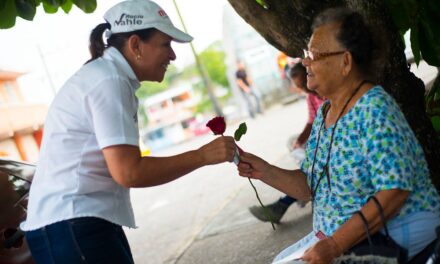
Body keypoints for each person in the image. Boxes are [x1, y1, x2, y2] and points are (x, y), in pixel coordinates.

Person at [21, 1, 236, 263]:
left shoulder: (109, 77)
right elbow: (129, 172)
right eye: (166, 44)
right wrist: (202, 156)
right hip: (72, 223)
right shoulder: (109, 80)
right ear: (135, 44)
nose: (173, 56)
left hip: (78, 223)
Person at [238, 7, 440, 264]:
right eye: (305, 54)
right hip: (344, 238)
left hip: (396, 234)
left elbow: (394, 192)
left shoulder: (373, 108)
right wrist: (262, 170)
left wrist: (334, 244)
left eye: (314, 54)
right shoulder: (325, 113)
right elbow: (310, 186)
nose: (305, 62)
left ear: (345, 62)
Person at [248, 63, 324, 223]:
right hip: (322, 141)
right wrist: (300, 141)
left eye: (304, 83)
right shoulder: (311, 96)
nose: (305, 88)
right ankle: (292, 200)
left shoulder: (325, 92)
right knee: (294, 145)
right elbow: (311, 121)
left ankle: (284, 204)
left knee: (314, 171)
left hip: (327, 144)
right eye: (300, 87)